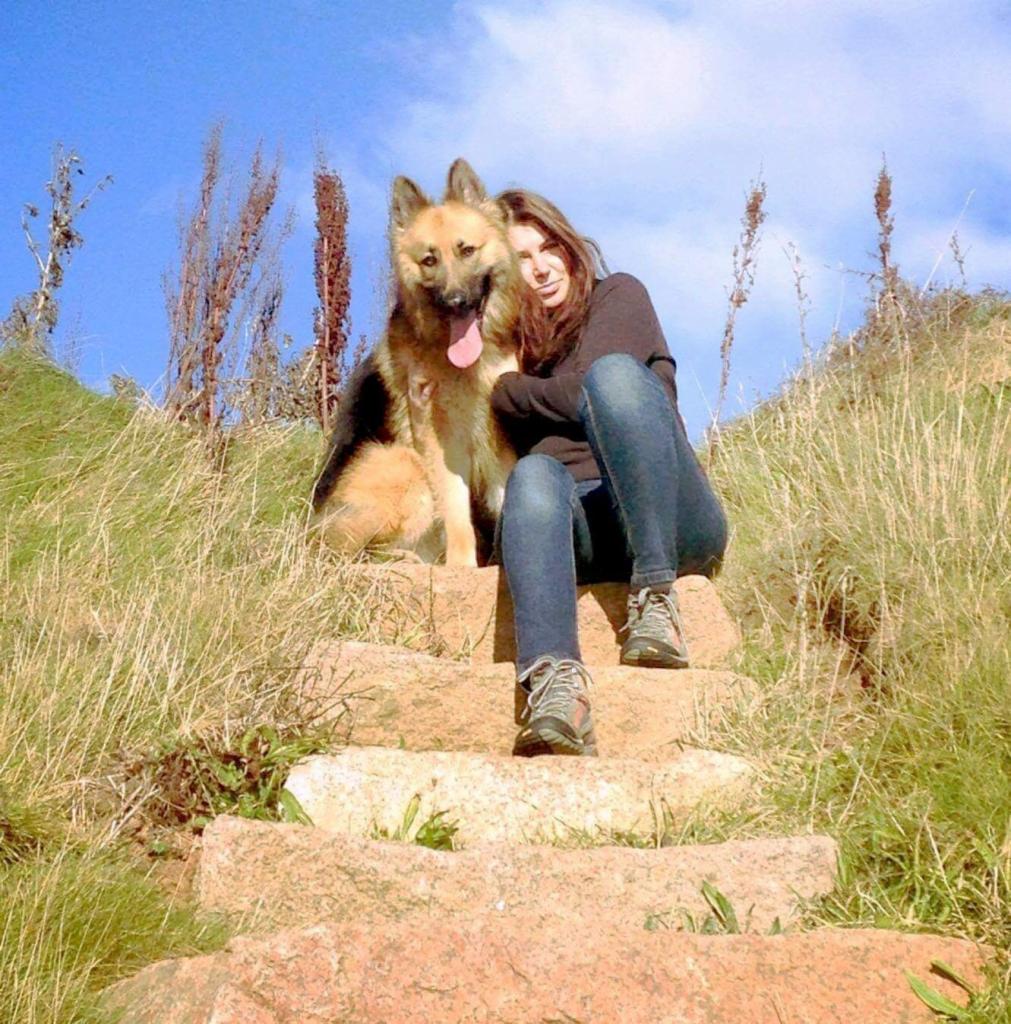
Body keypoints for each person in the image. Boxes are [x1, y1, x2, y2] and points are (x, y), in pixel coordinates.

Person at [490, 189, 728, 758]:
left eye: (549, 247)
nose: (541, 267)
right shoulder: (514, 347)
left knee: (614, 377)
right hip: (585, 534)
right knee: (534, 474)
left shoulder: (617, 295)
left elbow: (587, 391)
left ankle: (656, 600)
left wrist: (509, 392)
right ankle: (556, 688)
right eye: (522, 258)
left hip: (669, 517)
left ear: (570, 245)